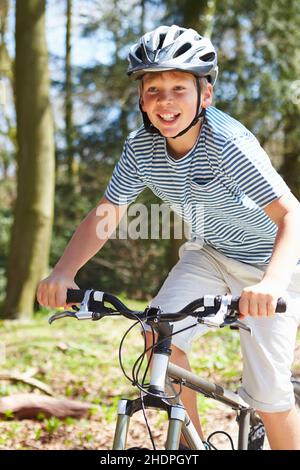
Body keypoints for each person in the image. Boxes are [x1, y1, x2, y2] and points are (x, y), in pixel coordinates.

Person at [37, 25, 300, 450]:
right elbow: (107, 213)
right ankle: (194, 450)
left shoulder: (228, 143)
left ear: (206, 96)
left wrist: (269, 283)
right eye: (154, 89)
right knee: (155, 333)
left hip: (273, 262)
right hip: (211, 254)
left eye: (179, 87)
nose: (166, 100)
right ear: (142, 99)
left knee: (269, 395)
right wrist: (64, 271)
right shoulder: (141, 147)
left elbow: (291, 214)